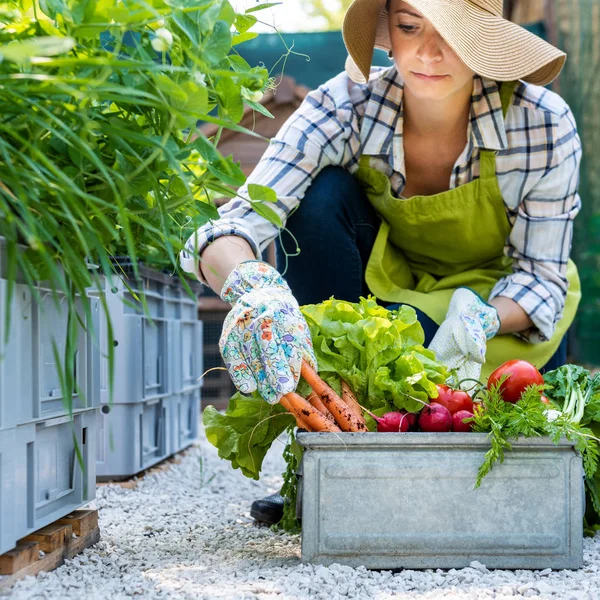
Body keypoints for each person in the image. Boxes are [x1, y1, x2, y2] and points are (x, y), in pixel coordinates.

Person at [180, 0, 582, 525]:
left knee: (499, 425)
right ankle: (333, 455)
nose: (428, 52)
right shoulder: (344, 104)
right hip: (383, 293)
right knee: (319, 197)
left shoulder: (541, 123)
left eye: (453, 32)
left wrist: (483, 315)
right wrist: (252, 286)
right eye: (410, 26)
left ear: (485, 38)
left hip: (495, 308)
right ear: (388, 27)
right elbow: (236, 222)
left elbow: (542, 274)